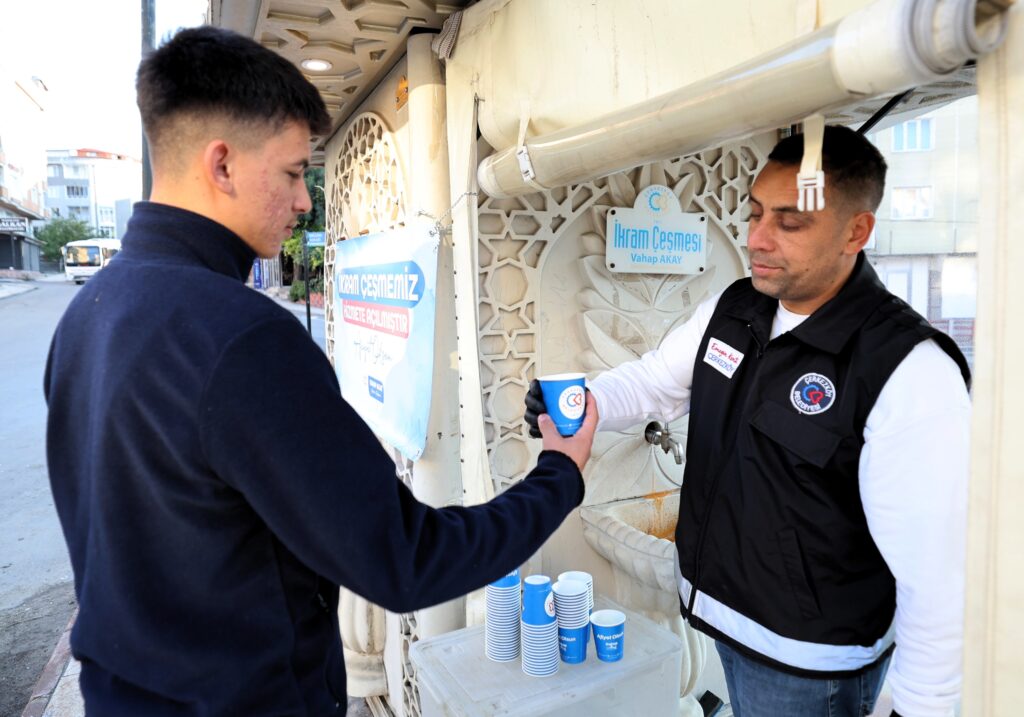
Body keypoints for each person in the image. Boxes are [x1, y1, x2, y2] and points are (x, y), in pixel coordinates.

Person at [44, 26, 596, 716]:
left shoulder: (86, 314)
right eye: (291, 173)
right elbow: (405, 561)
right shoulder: (241, 338)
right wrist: (559, 474)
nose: (306, 200)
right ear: (222, 165)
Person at [526, 125, 970, 717]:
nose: (757, 238)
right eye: (756, 213)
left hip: (809, 664)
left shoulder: (907, 367)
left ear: (856, 231)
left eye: (791, 222)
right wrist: (588, 402)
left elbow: (937, 576)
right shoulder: (736, 307)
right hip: (725, 619)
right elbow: (657, 381)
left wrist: (922, 709)